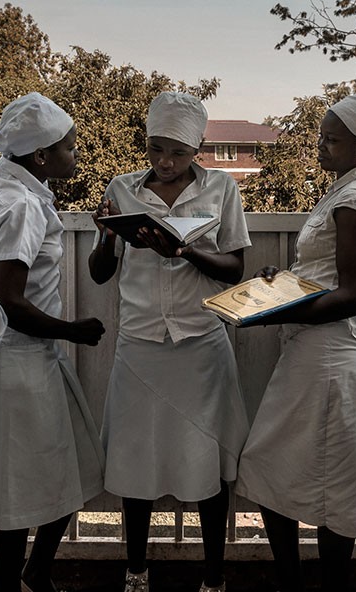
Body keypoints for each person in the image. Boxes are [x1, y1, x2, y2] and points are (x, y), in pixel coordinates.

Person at [89, 91, 251, 592]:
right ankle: (136, 571)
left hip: (201, 344)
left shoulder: (221, 189)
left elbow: (235, 269)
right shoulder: (123, 187)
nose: (165, 161)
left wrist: (184, 251)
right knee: (136, 461)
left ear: (198, 147)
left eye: (178, 152)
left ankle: (213, 577)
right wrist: (109, 235)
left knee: (206, 459)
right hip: (140, 346)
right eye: (155, 148)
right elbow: (99, 274)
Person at [236, 94, 356, 592]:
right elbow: (324, 275)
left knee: (331, 480)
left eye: (333, 138)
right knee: (273, 465)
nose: (321, 145)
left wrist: (272, 310)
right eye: (321, 135)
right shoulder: (341, 192)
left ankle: (325, 582)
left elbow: (352, 295)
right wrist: (283, 282)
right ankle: (294, 580)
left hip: (328, 352)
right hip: (309, 347)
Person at [0, 93, 106, 592]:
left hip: (8, 357)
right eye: (70, 148)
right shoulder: (20, 205)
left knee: (69, 465)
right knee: (16, 485)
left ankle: (35, 571)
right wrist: (73, 330)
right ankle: (13, 583)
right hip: (18, 357)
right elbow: (9, 300)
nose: (76, 155)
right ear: (41, 156)